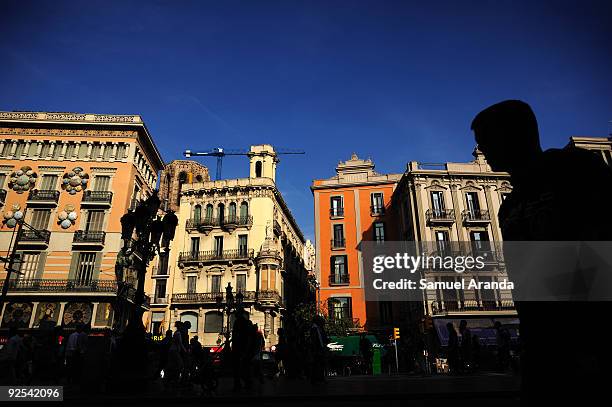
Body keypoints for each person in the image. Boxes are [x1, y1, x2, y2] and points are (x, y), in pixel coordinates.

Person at [472, 100, 612, 404]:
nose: (481, 149)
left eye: (486, 140)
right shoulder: (509, 205)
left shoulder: (574, 168)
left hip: (589, 336)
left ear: (515, 134)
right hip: (543, 345)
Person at [231, 309, 253, 391]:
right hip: (242, 348)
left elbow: (238, 335)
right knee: (243, 367)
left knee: (239, 368)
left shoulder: (239, 322)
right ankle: (246, 383)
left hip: (239, 348)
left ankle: (241, 383)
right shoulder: (244, 322)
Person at [309, 315, 328, 384]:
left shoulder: (318, 328)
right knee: (317, 364)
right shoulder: (314, 328)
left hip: (319, 348)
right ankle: (316, 379)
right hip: (317, 349)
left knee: (320, 364)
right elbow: (314, 340)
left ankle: (320, 378)